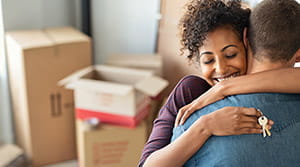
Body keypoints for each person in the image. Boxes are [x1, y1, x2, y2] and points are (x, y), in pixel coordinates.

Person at [139, 0, 300, 167]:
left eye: (231, 54)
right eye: (208, 60)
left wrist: (225, 88)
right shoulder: (190, 94)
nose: (221, 69)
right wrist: (204, 127)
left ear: (246, 42)